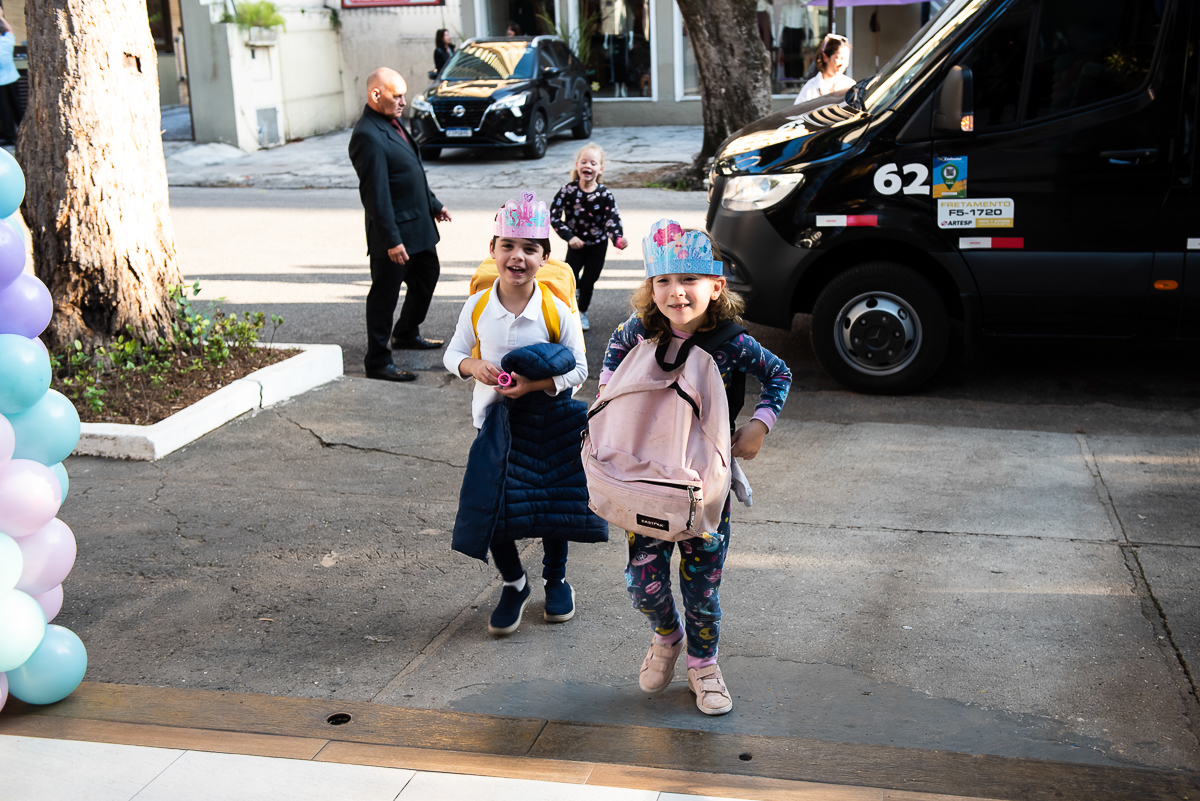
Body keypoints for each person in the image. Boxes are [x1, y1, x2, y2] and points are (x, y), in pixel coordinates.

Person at [599, 219, 791, 716]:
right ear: (650, 288)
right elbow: (609, 373)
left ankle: (704, 665)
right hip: (644, 481)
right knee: (643, 583)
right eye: (663, 281)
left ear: (716, 286)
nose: (676, 292)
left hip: (705, 487)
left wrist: (761, 425)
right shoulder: (635, 333)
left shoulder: (729, 342)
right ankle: (667, 636)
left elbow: (778, 372)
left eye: (688, 280)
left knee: (702, 584)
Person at [444, 191, 607, 636]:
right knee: (494, 507)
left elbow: (580, 367)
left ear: (545, 257)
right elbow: (453, 353)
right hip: (495, 425)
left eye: (530, 249)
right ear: (492, 250)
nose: (517, 257)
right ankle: (514, 582)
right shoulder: (478, 306)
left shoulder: (556, 309)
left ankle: (557, 581)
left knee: (551, 508)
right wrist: (472, 366)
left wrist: (533, 385)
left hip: (549, 424)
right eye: (508, 246)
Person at [348, 67, 451, 383]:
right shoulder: (367, 134)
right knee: (383, 296)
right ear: (376, 94)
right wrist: (391, 241)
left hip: (417, 227)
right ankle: (377, 361)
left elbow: (412, 173)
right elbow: (376, 195)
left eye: (405, 94)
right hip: (393, 235)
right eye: (397, 95)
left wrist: (434, 204)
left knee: (427, 276)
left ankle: (406, 332)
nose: (404, 101)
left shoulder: (392, 124)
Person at [549, 143, 627, 333]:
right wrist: (569, 236)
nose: (588, 166)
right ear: (577, 165)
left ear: (600, 169)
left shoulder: (605, 194)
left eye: (593, 163)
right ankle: (569, 310)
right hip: (576, 246)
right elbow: (554, 216)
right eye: (584, 162)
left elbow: (612, 220)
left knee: (589, 281)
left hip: (597, 246)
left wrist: (617, 239)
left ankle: (582, 311)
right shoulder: (568, 191)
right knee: (571, 279)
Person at [794, 33, 854, 104]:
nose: (842, 63)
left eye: (846, 59)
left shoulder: (850, 85)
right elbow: (797, 113)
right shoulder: (810, 88)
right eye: (838, 58)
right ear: (825, 57)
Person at [0, 7, 22, 146]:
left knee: (4, 110)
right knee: (17, 106)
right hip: (13, 79)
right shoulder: (6, 42)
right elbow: (10, 31)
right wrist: (1, 17)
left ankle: (9, 137)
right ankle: (23, 129)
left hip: (1, 83)